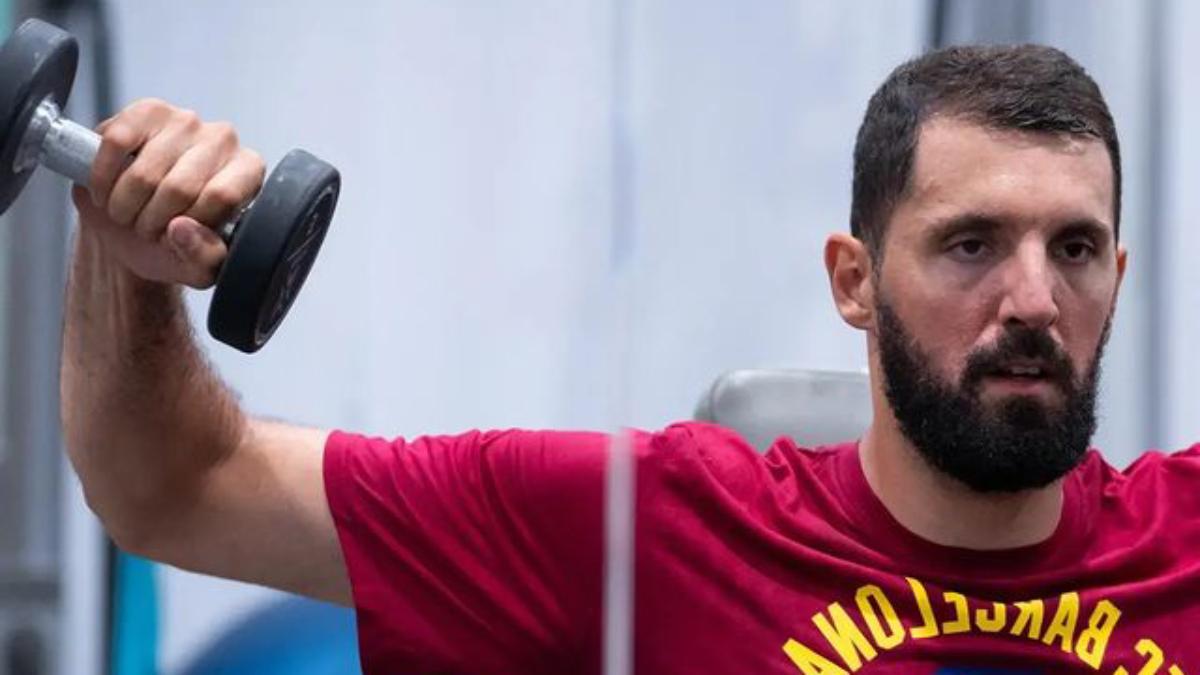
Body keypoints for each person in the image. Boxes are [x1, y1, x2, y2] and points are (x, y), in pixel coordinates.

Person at [59, 42, 1199, 674]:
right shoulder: (652, 524)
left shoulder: (1185, 535)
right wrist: (129, 266)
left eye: (1078, 248)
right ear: (853, 280)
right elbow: (179, 489)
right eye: (971, 245)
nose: (1036, 300)